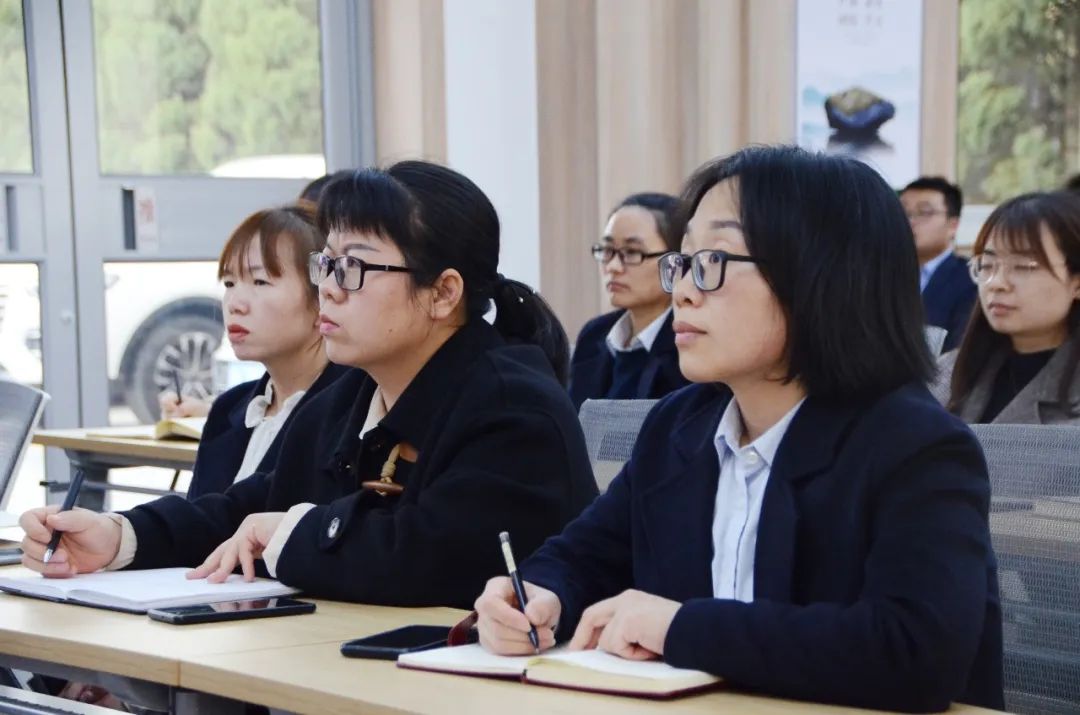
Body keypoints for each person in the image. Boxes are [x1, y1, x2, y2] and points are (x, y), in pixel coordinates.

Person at [474, 146, 1003, 712]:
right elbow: (584, 555)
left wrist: (679, 627)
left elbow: (914, 652)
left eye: (714, 260)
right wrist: (538, 594)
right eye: (682, 261)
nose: (682, 290)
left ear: (821, 276)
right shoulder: (679, 426)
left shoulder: (914, 445)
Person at [19, 161, 598, 610]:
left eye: (355, 268)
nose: (330, 289)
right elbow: (249, 507)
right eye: (326, 264)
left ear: (443, 293)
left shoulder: (512, 407)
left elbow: (429, 558)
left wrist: (289, 531)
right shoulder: (351, 394)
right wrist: (119, 537)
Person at [186, 203, 349, 499]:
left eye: (260, 281)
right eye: (229, 283)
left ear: (322, 296)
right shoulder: (229, 409)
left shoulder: (349, 410)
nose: (235, 304)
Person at [933, 191, 1080, 424]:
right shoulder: (945, 374)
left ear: (1076, 283)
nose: (996, 283)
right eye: (987, 265)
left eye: (1023, 266)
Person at [568, 193, 689, 409]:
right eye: (607, 250)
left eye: (632, 252)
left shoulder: (687, 341)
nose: (613, 267)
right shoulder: (594, 335)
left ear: (674, 264)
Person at [900, 176, 977, 352]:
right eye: (902, 212)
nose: (910, 221)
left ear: (953, 225)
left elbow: (958, 349)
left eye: (924, 212)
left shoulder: (970, 279)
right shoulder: (881, 275)